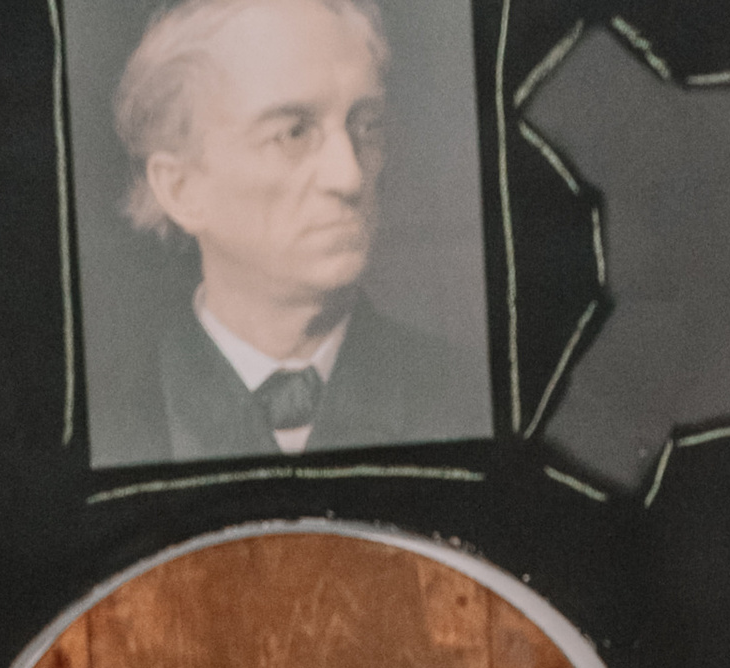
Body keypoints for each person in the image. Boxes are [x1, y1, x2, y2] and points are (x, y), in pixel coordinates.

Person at [113, 0, 484, 464]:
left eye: (366, 126)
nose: (349, 176)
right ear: (181, 190)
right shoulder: (115, 423)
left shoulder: (471, 397)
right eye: (292, 133)